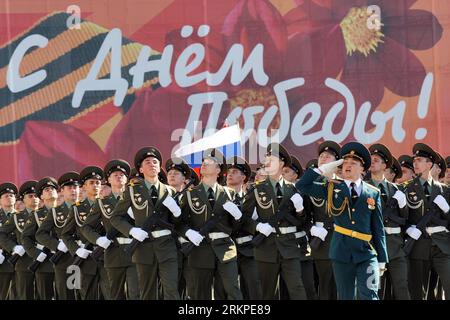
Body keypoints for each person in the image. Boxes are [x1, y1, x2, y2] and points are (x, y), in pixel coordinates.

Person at [297, 141, 388, 300]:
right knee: (346, 296)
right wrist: (323, 168)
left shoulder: (373, 193)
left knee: (370, 296)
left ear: (362, 169)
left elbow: (378, 229)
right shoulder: (332, 188)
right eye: (345, 162)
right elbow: (302, 185)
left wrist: (382, 259)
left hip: (366, 253)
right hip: (341, 252)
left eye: (353, 163)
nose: (348, 165)